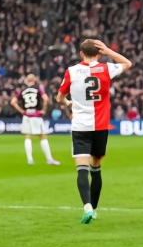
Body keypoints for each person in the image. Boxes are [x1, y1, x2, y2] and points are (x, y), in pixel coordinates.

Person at [56, 39, 132, 224]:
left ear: (81, 53)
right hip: (100, 126)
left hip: (80, 126)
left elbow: (59, 98)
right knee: (96, 167)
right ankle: (95, 209)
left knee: (81, 168)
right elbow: (127, 63)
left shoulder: (72, 71)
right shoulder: (106, 68)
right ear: (99, 54)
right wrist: (108, 51)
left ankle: (87, 206)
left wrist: (68, 103)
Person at [11, 74, 60, 165]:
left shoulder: (23, 90)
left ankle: (30, 159)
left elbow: (13, 102)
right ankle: (49, 159)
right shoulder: (38, 89)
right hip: (36, 115)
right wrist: (44, 110)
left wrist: (21, 111)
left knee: (28, 137)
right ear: (34, 80)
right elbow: (45, 99)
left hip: (27, 115)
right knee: (42, 136)